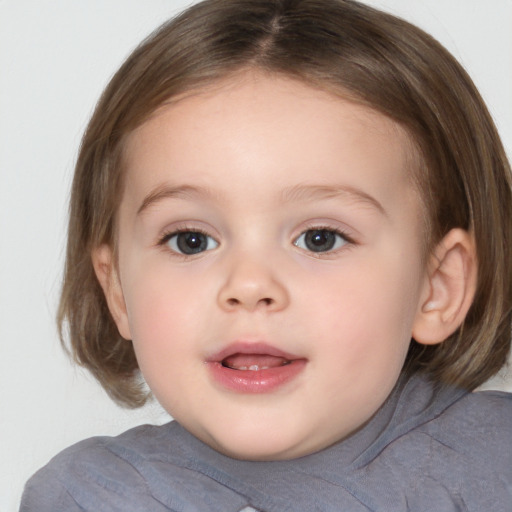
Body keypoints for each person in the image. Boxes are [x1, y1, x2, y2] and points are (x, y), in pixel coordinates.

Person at [20, 0, 512, 510]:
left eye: (320, 238)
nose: (249, 285)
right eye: (191, 240)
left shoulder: (497, 465)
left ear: (437, 288)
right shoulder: (90, 498)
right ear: (118, 289)